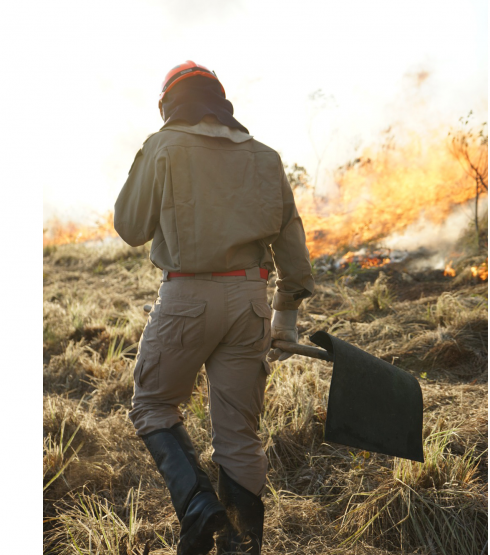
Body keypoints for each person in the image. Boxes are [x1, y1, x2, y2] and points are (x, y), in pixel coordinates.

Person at [113, 61, 315, 555]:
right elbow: (292, 246)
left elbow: (130, 227)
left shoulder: (163, 145)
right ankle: (241, 546)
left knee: (154, 405)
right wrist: (284, 315)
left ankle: (200, 508)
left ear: (170, 104)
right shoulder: (266, 156)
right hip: (250, 301)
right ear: (220, 101)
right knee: (239, 437)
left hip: (186, 297)